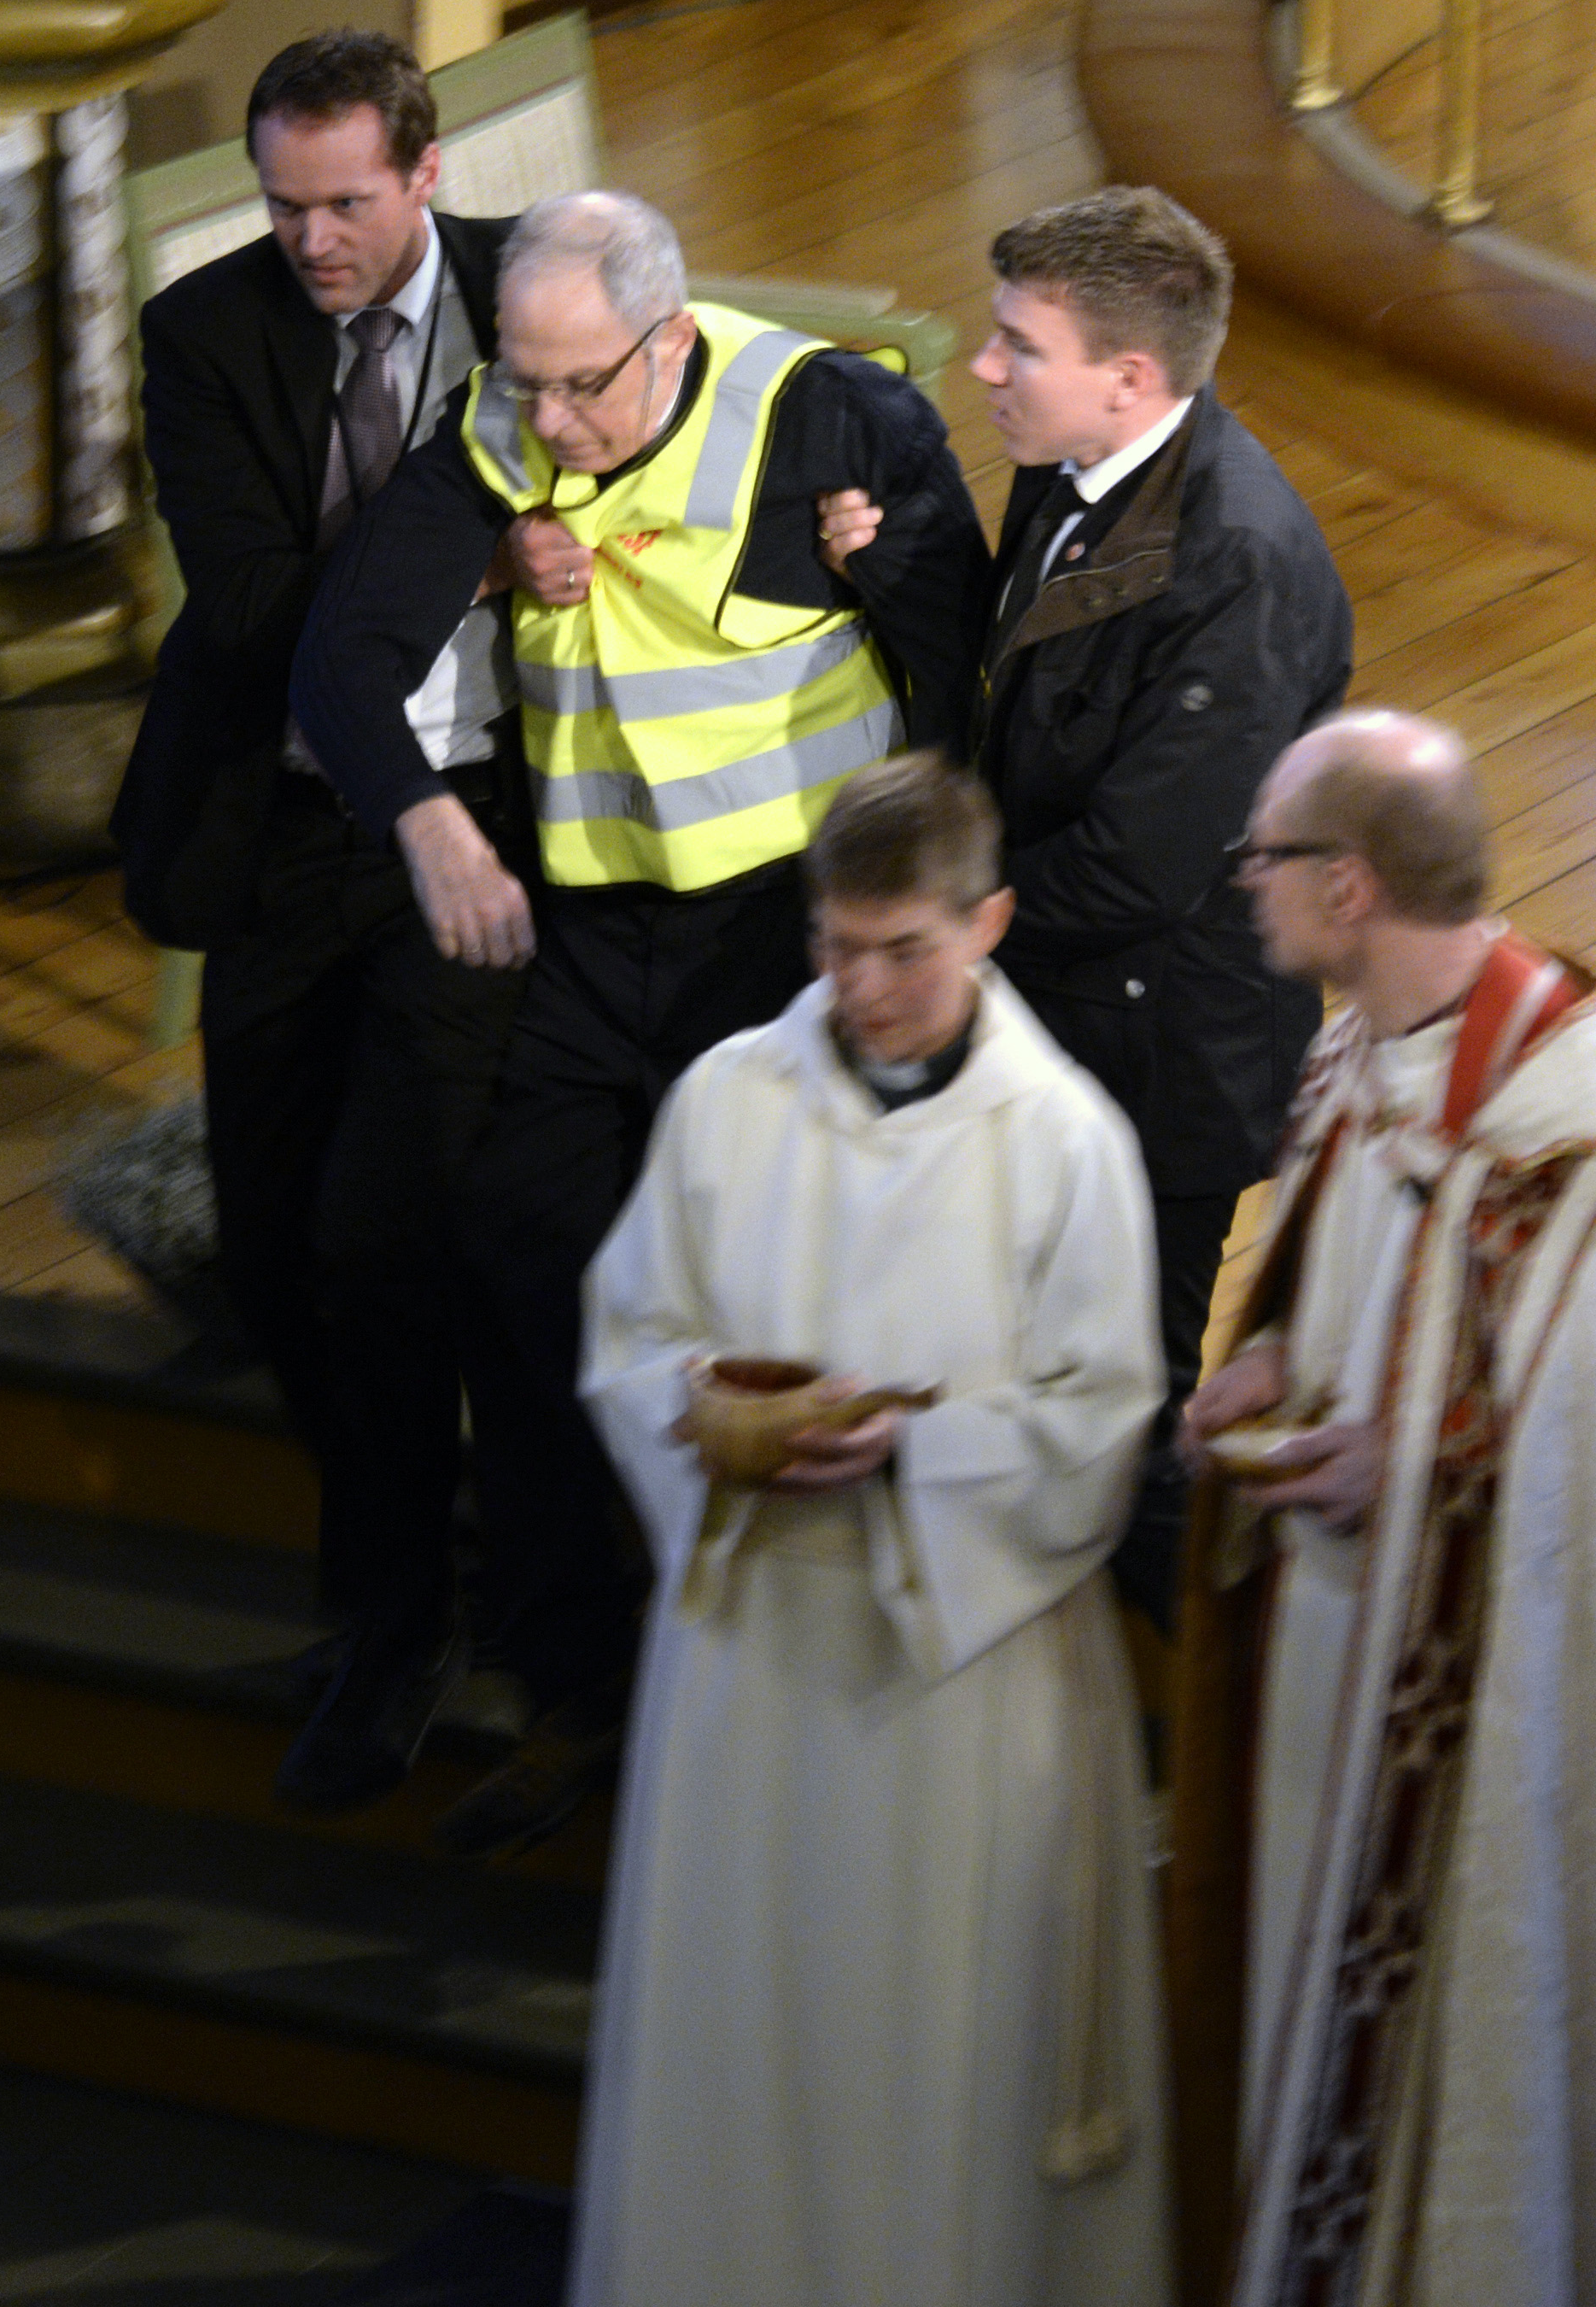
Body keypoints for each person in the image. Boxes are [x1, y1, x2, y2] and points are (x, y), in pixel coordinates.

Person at [293, 187, 991, 1853]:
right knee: (523, 1265)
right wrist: (426, 813)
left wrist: (919, 954)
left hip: (790, 953)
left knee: (779, 1305)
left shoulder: (832, 415)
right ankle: (571, 1693)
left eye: (581, 386)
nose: (548, 424)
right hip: (593, 940)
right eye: (523, 384)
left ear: (669, 340)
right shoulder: (502, 431)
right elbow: (339, 661)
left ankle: (789, 1715)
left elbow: (966, 683)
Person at [1175, 710, 1596, 2307]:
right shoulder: (1368, 1053)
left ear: (1348, 888)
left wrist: (1402, 1467)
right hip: (1349, 1690)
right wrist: (1277, 1349)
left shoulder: (1593, 1159)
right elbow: (1371, 1279)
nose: (1245, 886)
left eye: (1265, 859)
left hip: (1513, 1765)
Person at [564, 754, 1169, 2307]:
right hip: (752, 1654)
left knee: (932, 2043)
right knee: (748, 2026)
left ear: (990, 925)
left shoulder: (1064, 1141)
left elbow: (1102, 1417)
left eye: (907, 950)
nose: (866, 987)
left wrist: (918, 1447)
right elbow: (629, 1336)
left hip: (958, 1675)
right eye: (837, 947)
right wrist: (703, 1406)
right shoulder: (728, 1101)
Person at [104, 30, 542, 1818]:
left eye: (345, 202)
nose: (309, 241)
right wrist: (485, 545)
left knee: (386, 1233)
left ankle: (398, 1618)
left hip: (484, 836)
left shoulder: (544, 284)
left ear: (424, 171)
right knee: (271, 1244)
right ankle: (411, 1559)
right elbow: (260, 599)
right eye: (281, 204)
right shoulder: (206, 335)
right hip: (287, 829)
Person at [964, 185, 1349, 1602]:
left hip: (1161, 1062)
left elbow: (1138, 864)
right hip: (1066, 1020)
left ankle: (1161, 1750)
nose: (985, 369)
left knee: (1125, 1430)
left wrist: (950, 933)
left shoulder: (1236, 560)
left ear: (1131, 380)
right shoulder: (1070, 470)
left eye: (1018, 346)